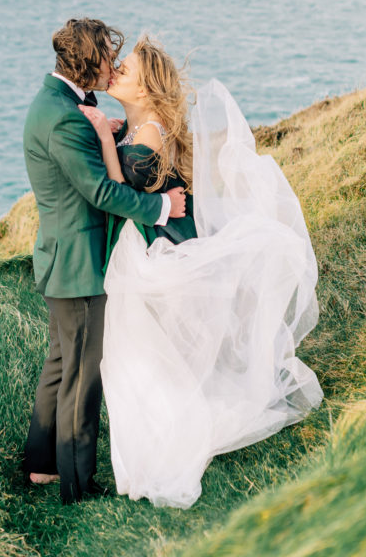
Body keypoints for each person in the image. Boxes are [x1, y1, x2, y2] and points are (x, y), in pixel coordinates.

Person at [80, 36, 323, 509]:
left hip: (166, 249)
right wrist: (114, 133)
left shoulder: (147, 131)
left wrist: (107, 140)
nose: (114, 72)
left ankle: (171, 430)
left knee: (147, 346)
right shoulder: (141, 126)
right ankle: (167, 419)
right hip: (158, 241)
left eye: (124, 69)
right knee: (149, 346)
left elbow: (117, 190)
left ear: (146, 87)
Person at [21, 18, 187, 505]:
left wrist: (105, 134)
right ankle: (77, 486)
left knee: (60, 363)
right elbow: (97, 190)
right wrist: (160, 208)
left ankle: (42, 466)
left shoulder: (62, 103)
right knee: (81, 373)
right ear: (86, 62)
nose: (113, 66)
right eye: (107, 59)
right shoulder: (62, 116)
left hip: (63, 255)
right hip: (78, 263)